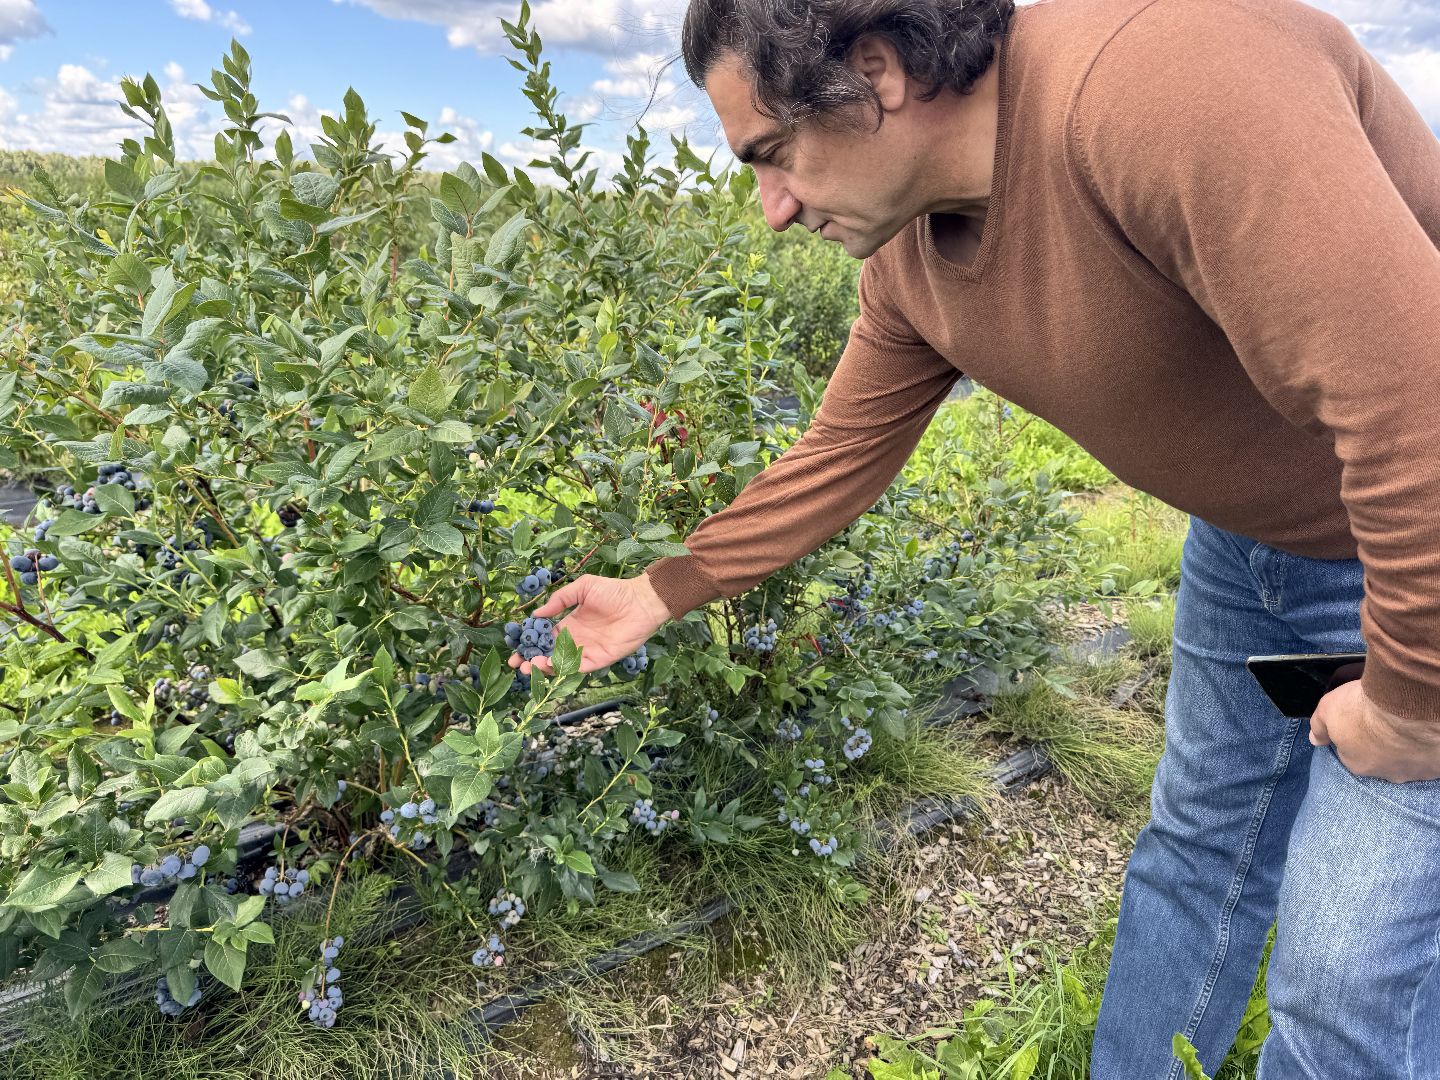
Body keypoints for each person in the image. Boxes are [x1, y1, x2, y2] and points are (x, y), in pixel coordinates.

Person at [508, 0, 1440, 1075]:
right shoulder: (913, 261)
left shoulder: (1161, 83)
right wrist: (660, 590)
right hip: (1255, 551)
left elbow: (1419, 411)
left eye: (772, 154)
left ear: (874, 70)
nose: (772, 209)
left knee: (1347, 983)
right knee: (1195, 854)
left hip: (1414, 543)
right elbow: (839, 450)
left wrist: (1412, 707)